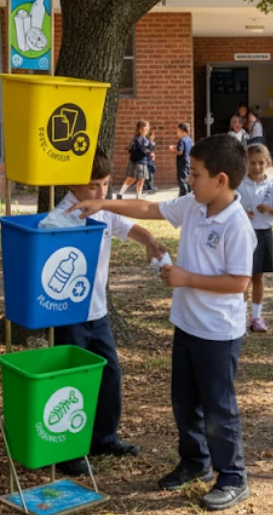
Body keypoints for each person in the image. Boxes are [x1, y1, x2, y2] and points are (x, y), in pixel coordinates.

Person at [72, 134, 255, 512]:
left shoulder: (237, 225)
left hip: (218, 333)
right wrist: (102, 203)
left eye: (198, 175)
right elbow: (147, 208)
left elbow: (239, 283)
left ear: (221, 180)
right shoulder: (193, 205)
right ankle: (195, 462)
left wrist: (187, 278)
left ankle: (232, 476)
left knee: (218, 406)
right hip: (186, 325)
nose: (191, 181)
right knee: (184, 402)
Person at [54, 148, 165, 477]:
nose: (101, 192)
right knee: (71, 381)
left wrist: (151, 242)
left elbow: (129, 226)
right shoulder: (57, 220)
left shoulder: (103, 211)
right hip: (68, 314)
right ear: (72, 184)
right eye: (93, 186)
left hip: (97, 312)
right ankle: (68, 447)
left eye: (105, 183)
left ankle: (104, 437)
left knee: (109, 374)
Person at [238, 144, 273, 332]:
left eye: (260, 163)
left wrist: (270, 209)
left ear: (268, 163)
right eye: (252, 163)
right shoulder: (239, 185)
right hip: (244, 234)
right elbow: (230, 206)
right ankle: (240, 316)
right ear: (246, 163)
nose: (256, 167)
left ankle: (256, 316)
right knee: (243, 275)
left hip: (264, 234)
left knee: (258, 276)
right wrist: (242, 212)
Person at [118, 120, 151, 199]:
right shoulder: (138, 139)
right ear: (142, 129)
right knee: (132, 178)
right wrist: (148, 152)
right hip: (138, 161)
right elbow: (140, 150)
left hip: (142, 161)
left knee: (141, 179)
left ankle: (138, 195)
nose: (148, 129)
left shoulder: (144, 139)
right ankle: (120, 193)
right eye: (147, 127)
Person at [169, 122, 193, 196]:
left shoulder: (182, 140)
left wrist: (172, 150)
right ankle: (190, 192)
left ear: (182, 131)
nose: (177, 133)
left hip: (182, 163)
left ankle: (183, 194)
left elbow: (180, 151)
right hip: (188, 162)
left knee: (182, 179)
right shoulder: (189, 140)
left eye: (178, 131)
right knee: (187, 177)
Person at [145, 128, 158, 192]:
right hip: (147, 159)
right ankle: (150, 185)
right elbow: (145, 150)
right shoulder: (147, 142)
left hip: (150, 159)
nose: (154, 137)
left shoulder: (152, 143)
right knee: (150, 172)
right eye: (152, 135)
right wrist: (150, 153)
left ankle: (149, 184)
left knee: (151, 171)